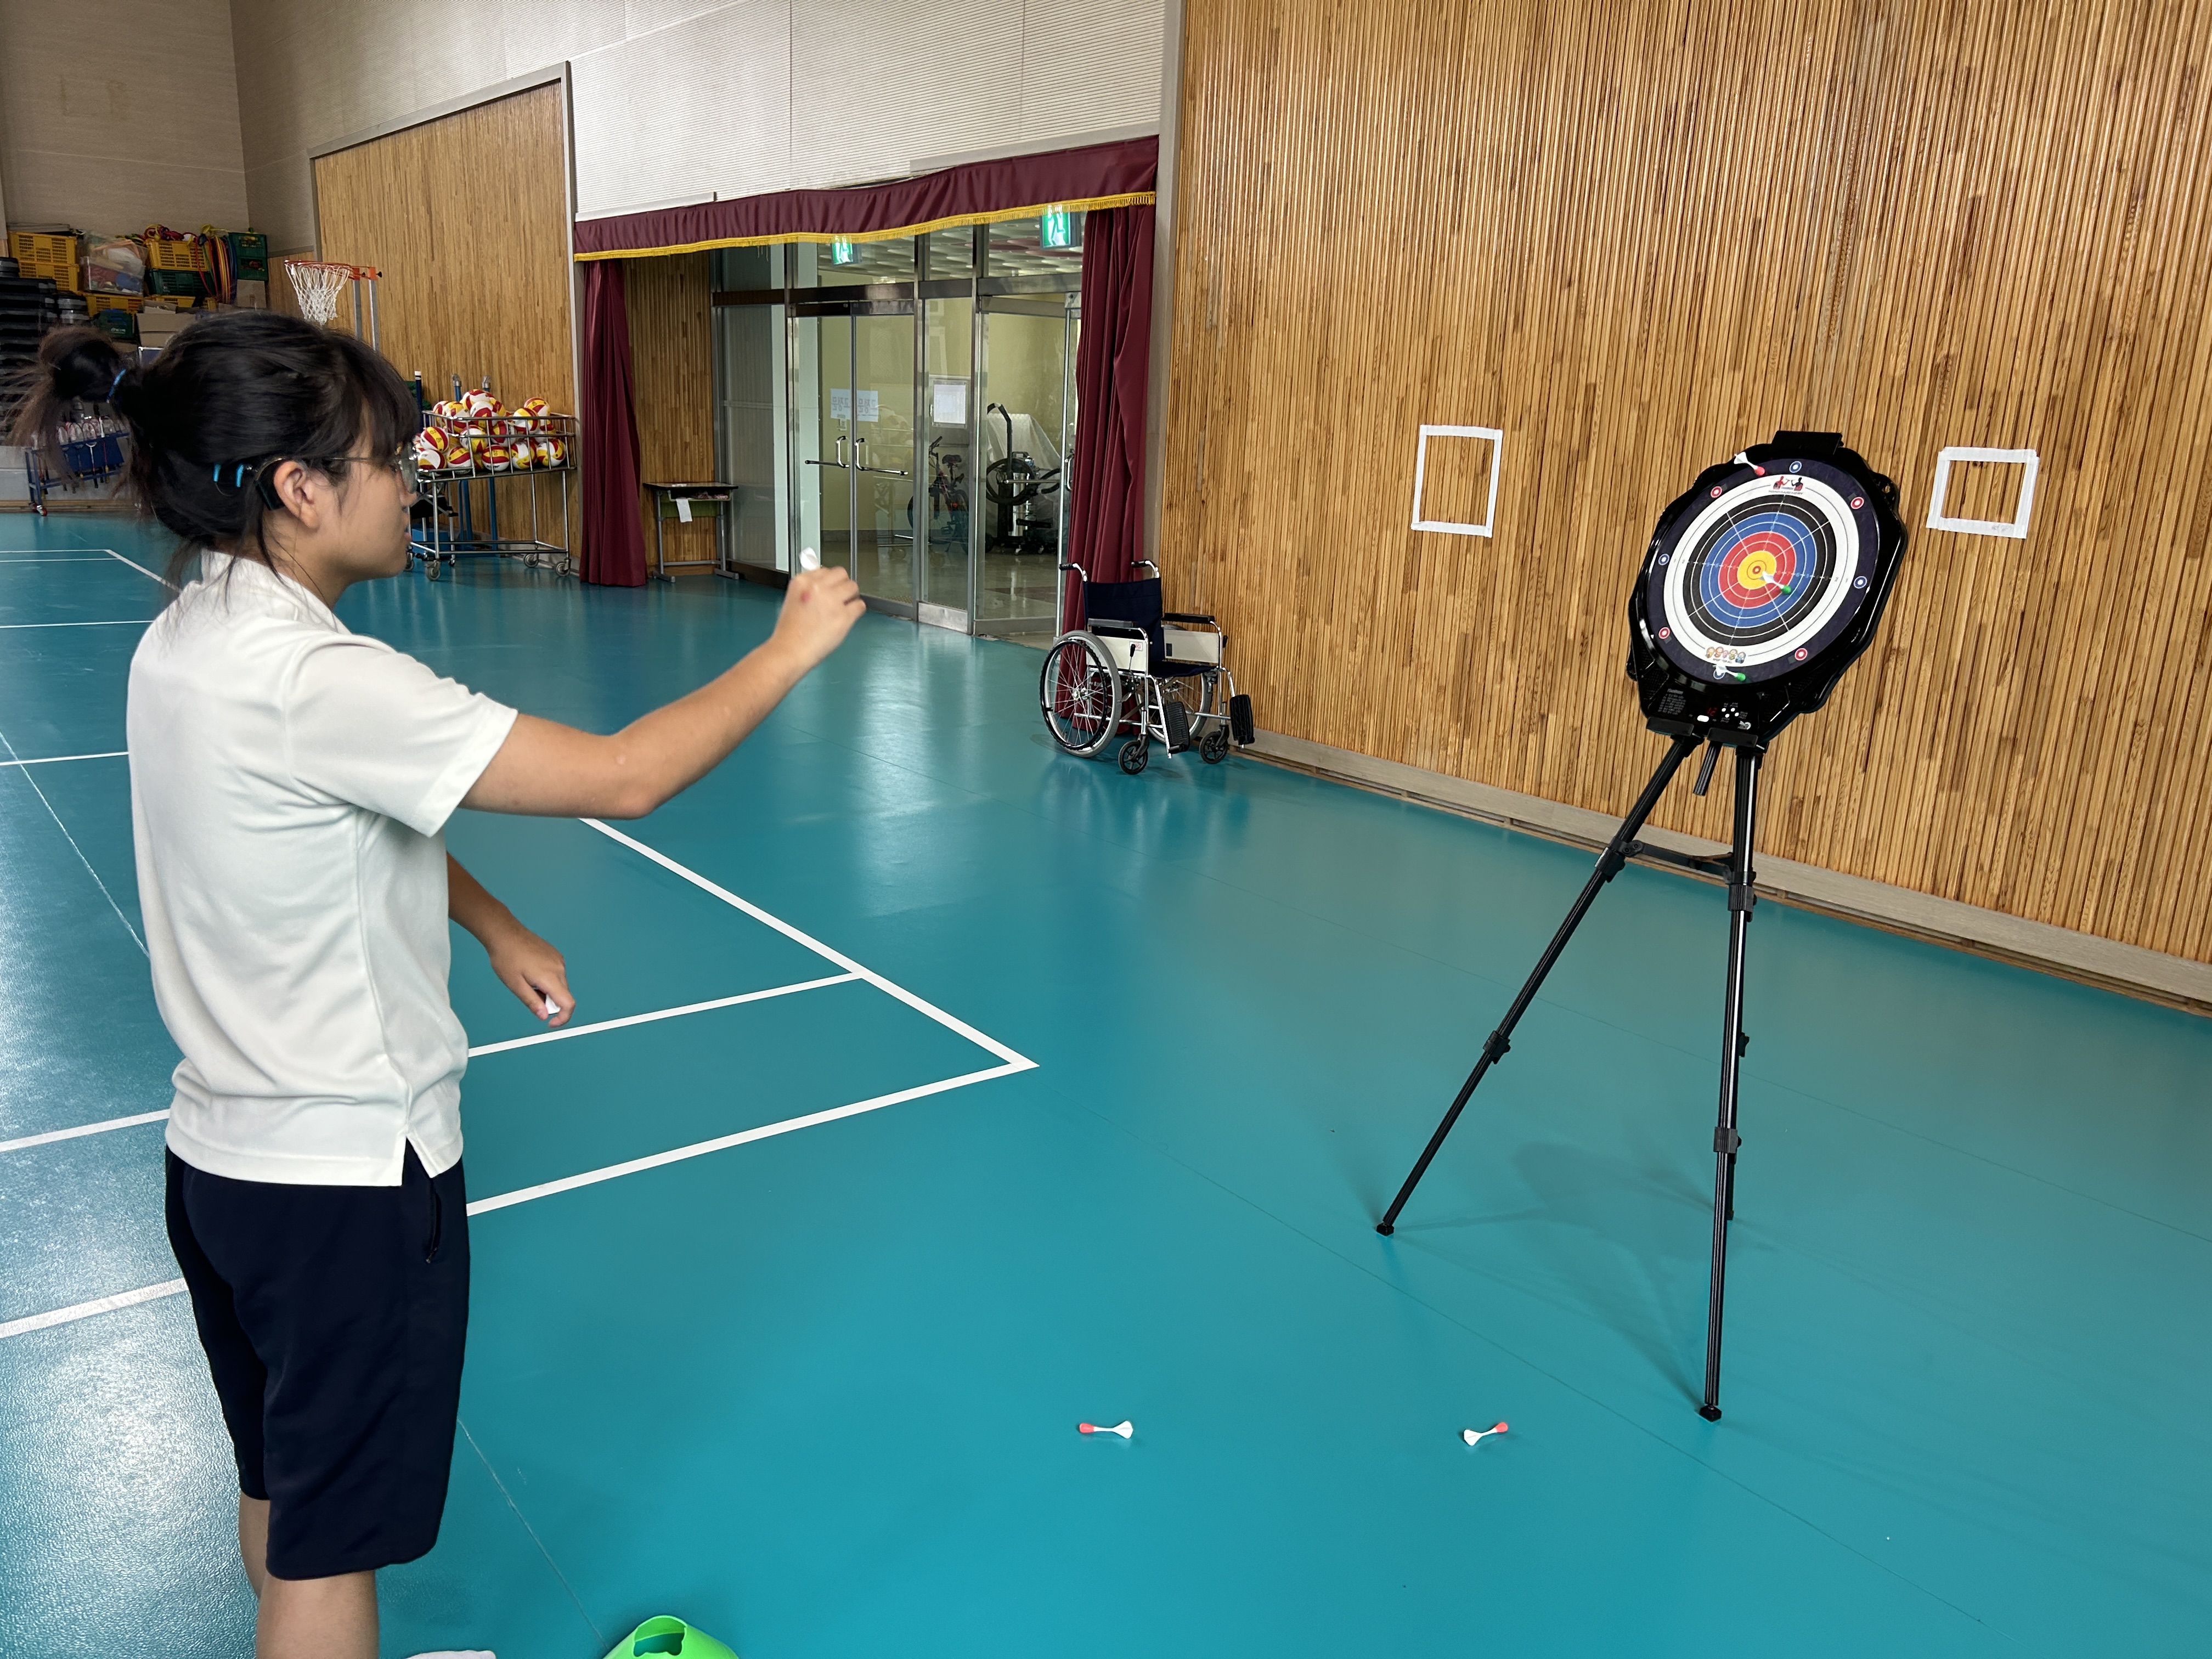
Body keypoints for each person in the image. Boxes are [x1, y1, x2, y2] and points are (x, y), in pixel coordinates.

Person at [10, 315, 864, 1659]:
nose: (413, 484)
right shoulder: (318, 679)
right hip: (347, 1185)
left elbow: (349, 818)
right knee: (330, 1554)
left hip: (221, 1165)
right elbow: (627, 775)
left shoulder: (191, 634)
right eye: (386, 460)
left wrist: (496, 923)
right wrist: (790, 648)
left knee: (286, 1488)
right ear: (300, 487)